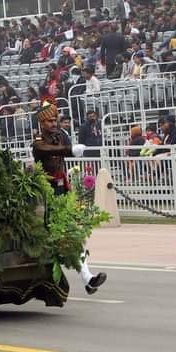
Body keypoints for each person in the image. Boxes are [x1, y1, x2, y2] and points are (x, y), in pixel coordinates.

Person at [31, 104, 107, 295]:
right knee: (46, 236)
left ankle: (88, 278)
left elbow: (61, 148)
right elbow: (47, 150)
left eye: (55, 119)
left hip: (61, 190)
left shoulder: (61, 136)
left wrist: (68, 147)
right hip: (44, 194)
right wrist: (70, 150)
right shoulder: (39, 140)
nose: (53, 123)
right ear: (41, 123)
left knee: (71, 233)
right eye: (49, 120)